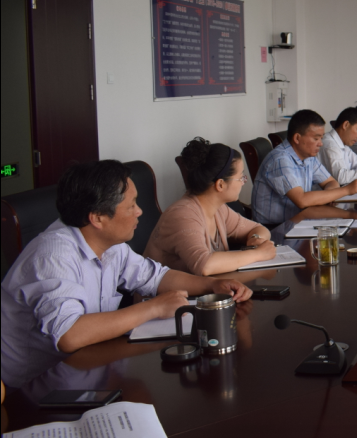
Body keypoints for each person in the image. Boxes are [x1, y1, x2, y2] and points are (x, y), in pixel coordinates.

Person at [0, 161, 252, 389]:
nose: (140, 211)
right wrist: (153, 308)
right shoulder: (53, 256)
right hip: (30, 392)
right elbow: (69, 335)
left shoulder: (110, 244)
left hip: (87, 370)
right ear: (98, 218)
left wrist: (213, 285)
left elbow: (156, 277)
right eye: (131, 205)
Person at [144, 139, 276, 276]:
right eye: (241, 177)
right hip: (164, 290)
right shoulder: (183, 215)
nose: (243, 182)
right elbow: (204, 265)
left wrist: (255, 238)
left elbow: (259, 228)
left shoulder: (219, 209)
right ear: (220, 185)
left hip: (205, 287)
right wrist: (257, 254)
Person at [251, 109, 357, 227]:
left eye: (321, 138)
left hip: (301, 220)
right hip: (275, 228)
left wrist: (327, 197)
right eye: (316, 138)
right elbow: (302, 200)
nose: (320, 143)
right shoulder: (280, 160)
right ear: (297, 138)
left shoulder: (308, 157)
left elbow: (331, 182)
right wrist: (346, 190)